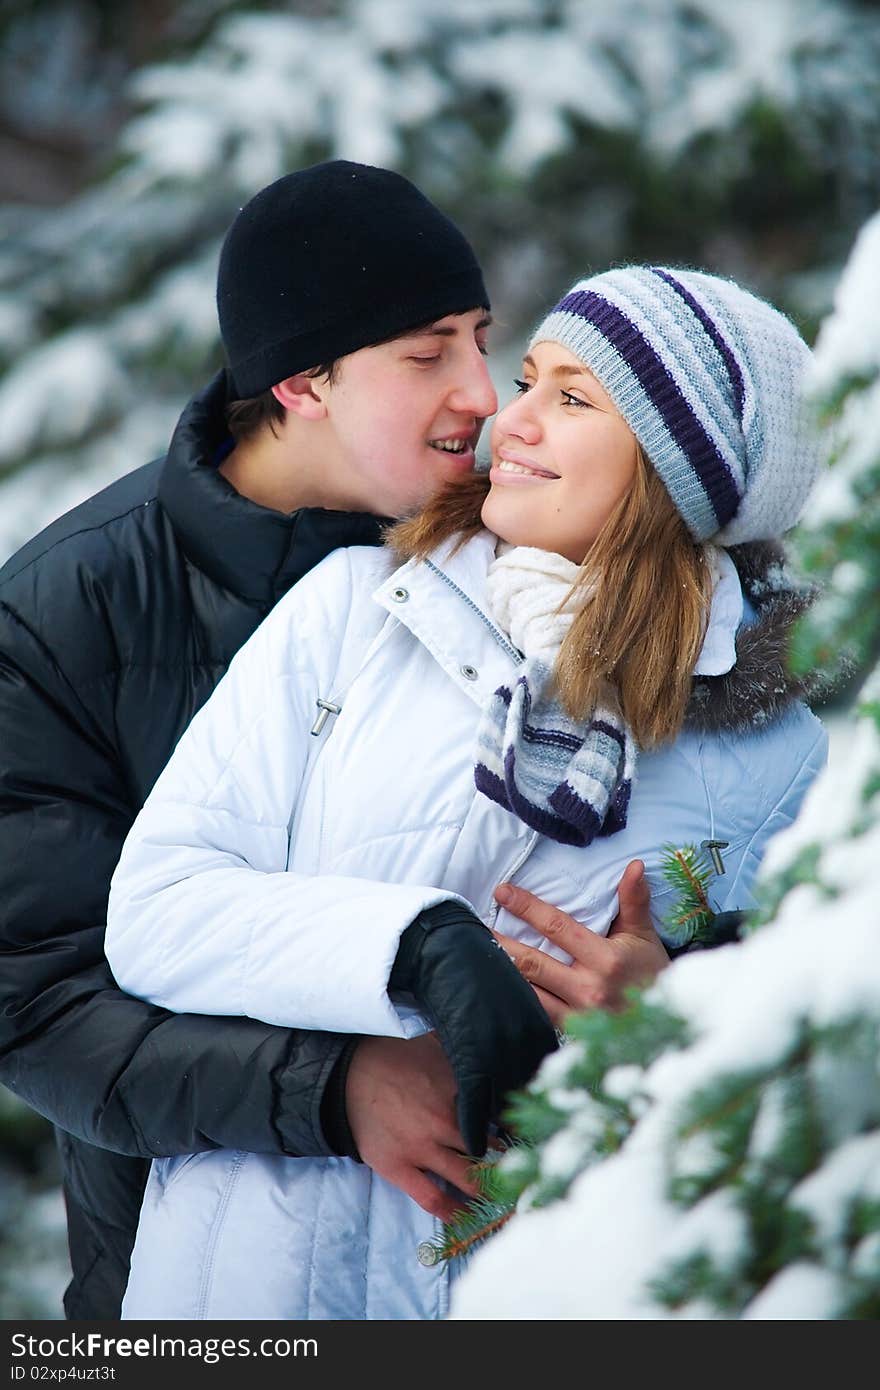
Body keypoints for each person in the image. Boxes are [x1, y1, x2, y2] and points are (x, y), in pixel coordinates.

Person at [0, 161, 664, 1321]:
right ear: (301, 383)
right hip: (205, 1289)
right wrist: (337, 1086)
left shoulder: (534, 538)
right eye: (424, 354)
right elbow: (37, 1000)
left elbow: (712, 849)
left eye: (478, 339)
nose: (482, 396)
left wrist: (672, 988)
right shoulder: (66, 613)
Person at [104, 263, 828, 1320]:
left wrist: (671, 1008)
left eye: (571, 398)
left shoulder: (775, 750)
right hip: (246, 1290)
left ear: (679, 472)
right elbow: (157, 912)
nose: (509, 416)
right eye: (528, 377)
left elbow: (802, 1088)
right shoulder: (354, 609)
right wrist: (411, 945)